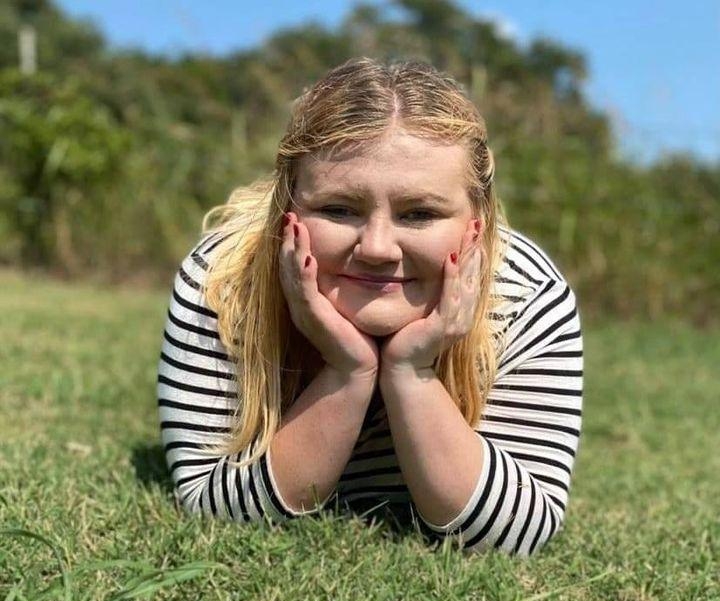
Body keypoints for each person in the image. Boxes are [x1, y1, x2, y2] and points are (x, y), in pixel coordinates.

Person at [157, 57, 583, 557]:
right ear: (287, 209)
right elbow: (210, 508)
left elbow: (517, 533)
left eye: (419, 214)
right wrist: (348, 372)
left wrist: (410, 371)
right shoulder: (221, 282)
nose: (377, 248)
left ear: (477, 222)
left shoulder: (528, 295)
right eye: (338, 209)